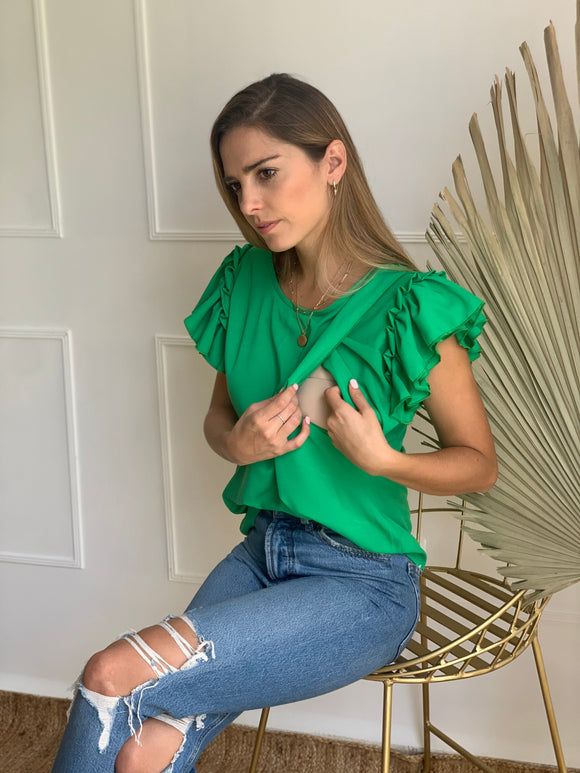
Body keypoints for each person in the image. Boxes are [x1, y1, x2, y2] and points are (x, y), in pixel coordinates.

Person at [51, 73, 497, 773]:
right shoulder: (243, 283)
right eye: (235, 185)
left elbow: (479, 464)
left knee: (111, 674)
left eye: (266, 173)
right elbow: (219, 419)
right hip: (262, 555)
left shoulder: (411, 306)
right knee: (142, 753)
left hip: (363, 583)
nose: (249, 204)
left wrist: (385, 460)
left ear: (332, 162)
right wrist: (238, 442)